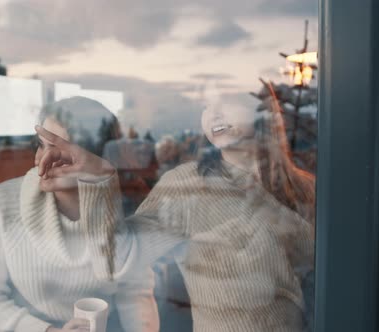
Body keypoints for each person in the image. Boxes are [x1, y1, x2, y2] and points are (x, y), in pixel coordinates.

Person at [35, 83, 316, 331]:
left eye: (226, 101)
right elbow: (114, 261)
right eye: (206, 105)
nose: (214, 113)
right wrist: (98, 176)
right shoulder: (188, 186)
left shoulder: (309, 188)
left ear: (262, 109)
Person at [0, 97, 159, 332]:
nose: (42, 160)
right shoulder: (1, 203)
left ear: (95, 159)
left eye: (62, 152)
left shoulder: (124, 208)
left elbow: (136, 296)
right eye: (41, 145)